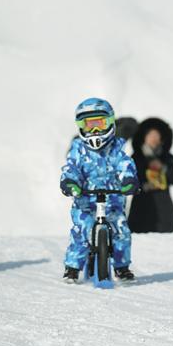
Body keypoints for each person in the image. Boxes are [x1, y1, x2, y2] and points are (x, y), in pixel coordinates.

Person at [59, 98, 139, 282]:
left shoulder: (116, 148)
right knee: (81, 231)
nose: (95, 131)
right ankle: (72, 267)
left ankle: (121, 267)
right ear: (81, 126)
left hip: (112, 201)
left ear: (110, 122)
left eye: (99, 124)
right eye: (89, 126)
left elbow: (125, 165)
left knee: (121, 231)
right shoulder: (78, 149)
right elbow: (72, 167)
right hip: (85, 201)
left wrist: (129, 180)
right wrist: (70, 182)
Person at [128, 118, 173, 233]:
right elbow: (129, 182)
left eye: (156, 135)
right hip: (141, 211)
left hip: (164, 213)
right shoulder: (136, 158)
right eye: (151, 135)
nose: (154, 139)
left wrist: (163, 168)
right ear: (144, 137)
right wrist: (145, 186)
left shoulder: (167, 158)